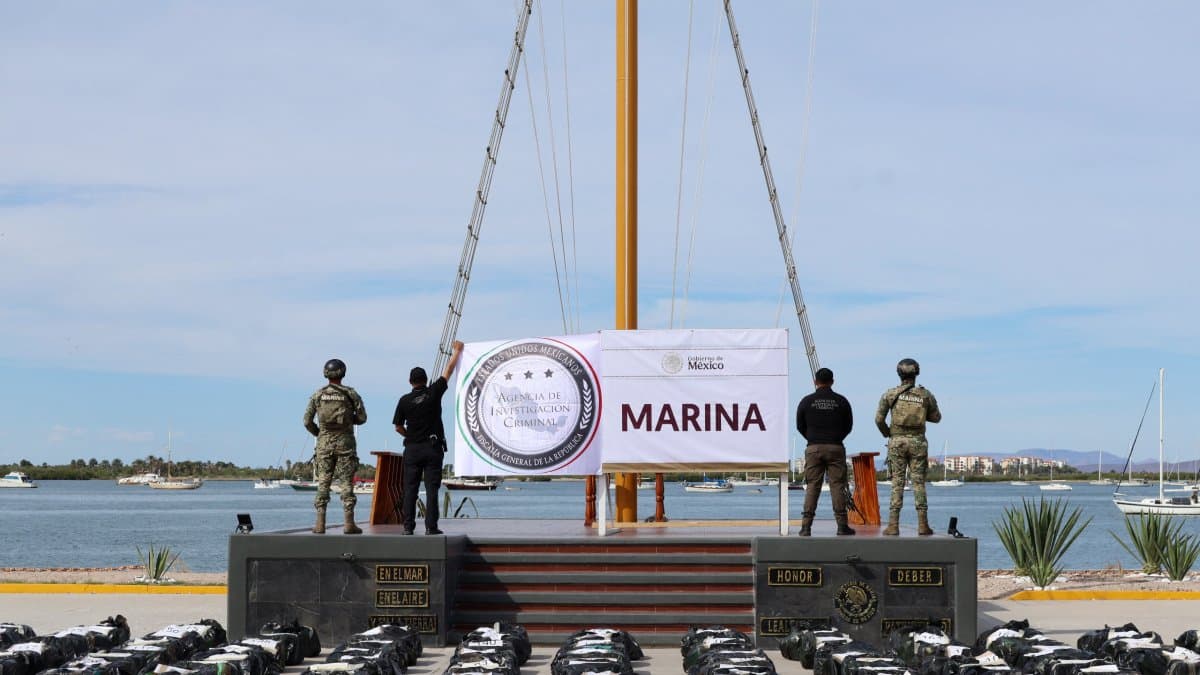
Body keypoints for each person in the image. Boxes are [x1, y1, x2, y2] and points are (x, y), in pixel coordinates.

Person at [394, 340, 464, 535]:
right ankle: (431, 527)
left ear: (410, 382)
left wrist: (410, 435)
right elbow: (448, 371)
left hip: (412, 449)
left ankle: (408, 527)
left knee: (410, 489)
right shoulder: (434, 392)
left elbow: (398, 427)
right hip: (432, 448)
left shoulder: (404, 400)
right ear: (425, 380)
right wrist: (457, 351)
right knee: (432, 489)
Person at [875, 357, 942, 536]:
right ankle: (923, 525)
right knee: (919, 483)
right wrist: (920, 413)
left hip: (897, 442)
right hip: (918, 442)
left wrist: (888, 433)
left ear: (899, 374)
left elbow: (879, 419)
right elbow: (936, 417)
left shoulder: (890, 394)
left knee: (897, 482)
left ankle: (893, 525)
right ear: (916, 373)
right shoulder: (925, 395)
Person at [303, 358, 368, 535]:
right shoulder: (350, 393)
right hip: (345, 442)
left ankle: (320, 524)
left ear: (326, 374)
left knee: (323, 482)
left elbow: (307, 421)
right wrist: (349, 421)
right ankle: (349, 523)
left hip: (324, 443)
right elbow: (362, 418)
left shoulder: (318, 395)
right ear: (342, 373)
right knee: (346, 482)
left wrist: (320, 434)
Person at [795, 367, 855, 536]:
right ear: (832, 381)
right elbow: (849, 426)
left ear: (815, 382)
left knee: (812, 486)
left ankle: (806, 527)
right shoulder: (841, 401)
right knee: (837, 485)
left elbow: (800, 425)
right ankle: (842, 526)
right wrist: (836, 438)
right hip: (836, 447)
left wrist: (812, 438)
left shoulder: (806, 401)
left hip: (813, 448)